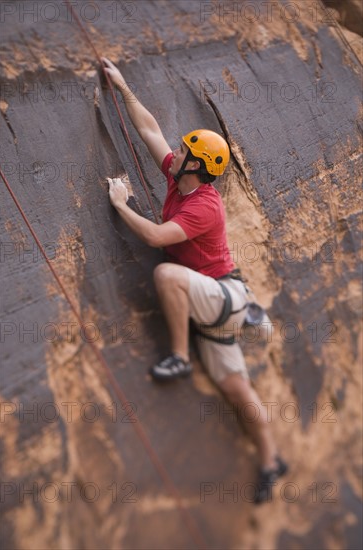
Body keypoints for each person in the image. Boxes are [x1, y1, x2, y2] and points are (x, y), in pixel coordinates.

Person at [102, 57, 288, 504]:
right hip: (215, 304)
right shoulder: (180, 177)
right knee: (235, 389)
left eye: (184, 150)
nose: (176, 151)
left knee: (167, 272)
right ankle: (272, 461)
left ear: (195, 165)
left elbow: (154, 236)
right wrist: (123, 86)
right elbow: (149, 130)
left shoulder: (204, 205)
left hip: (219, 294)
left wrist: (121, 203)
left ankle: (182, 357)